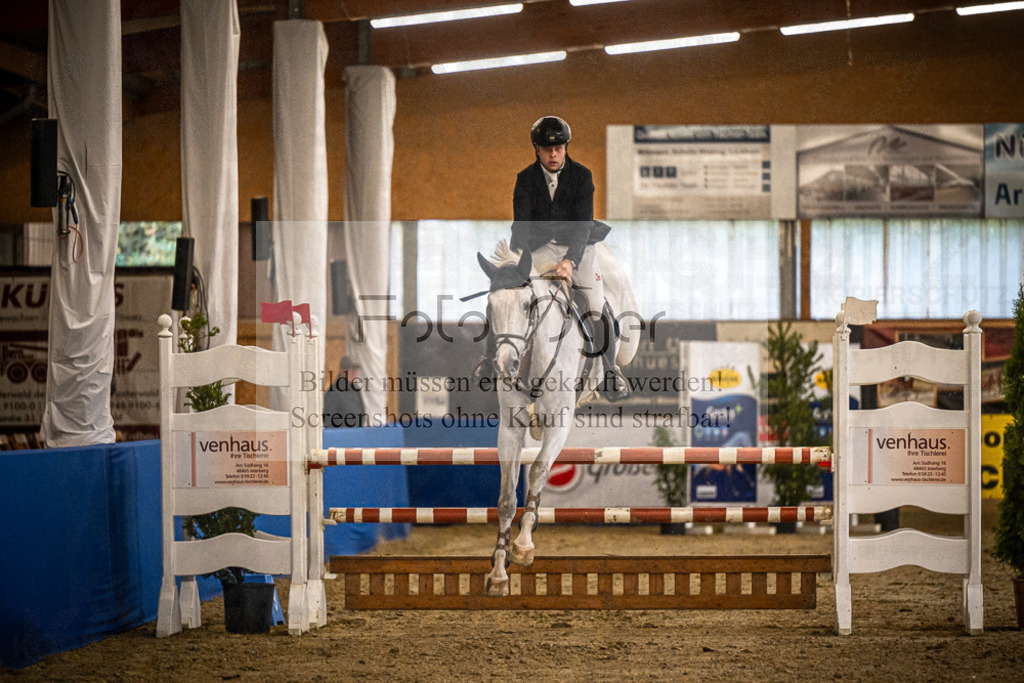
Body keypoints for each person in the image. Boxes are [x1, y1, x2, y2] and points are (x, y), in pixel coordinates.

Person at [479, 115, 629, 401]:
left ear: (565, 147)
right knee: (506, 298)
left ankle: (610, 372)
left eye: (559, 148)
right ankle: (488, 363)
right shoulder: (525, 179)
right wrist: (516, 264)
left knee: (596, 306)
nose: (553, 154)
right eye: (547, 149)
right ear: (536, 149)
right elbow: (520, 225)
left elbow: (583, 224)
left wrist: (570, 261)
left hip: (579, 248)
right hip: (538, 250)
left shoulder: (582, 176)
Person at [323, 356, 367, 428]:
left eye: (356, 369)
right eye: (349, 369)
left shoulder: (356, 390)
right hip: (341, 436)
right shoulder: (334, 392)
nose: (353, 372)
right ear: (342, 370)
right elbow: (328, 421)